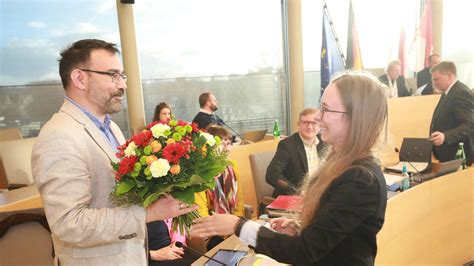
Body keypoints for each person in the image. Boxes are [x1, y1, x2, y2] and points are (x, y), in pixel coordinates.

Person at [191, 72, 388, 265]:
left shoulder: (360, 180)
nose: (318, 117)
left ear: (355, 118)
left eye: (326, 109)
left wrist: (238, 225)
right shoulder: (344, 164)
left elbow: (305, 251)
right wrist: (301, 229)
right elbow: (333, 236)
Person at [31, 39, 195, 265]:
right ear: (80, 78)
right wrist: (148, 214)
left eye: (122, 76)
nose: (123, 85)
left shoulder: (112, 128)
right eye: (113, 75)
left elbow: (117, 195)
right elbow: (69, 224)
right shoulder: (58, 136)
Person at [194, 125, 245, 250]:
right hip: (212, 232)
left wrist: (235, 224)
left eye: (229, 143)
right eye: (223, 143)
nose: (227, 148)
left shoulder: (232, 166)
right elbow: (201, 212)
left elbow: (239, 201)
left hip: (233, 226)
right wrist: (221, 230)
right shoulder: (201, 174)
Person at [265, 108, 325, 197]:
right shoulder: (287, 145)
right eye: (305, 123)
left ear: (320, 125)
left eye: (314, 123)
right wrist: (297, 192)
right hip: (293, 198)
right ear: (299, 125)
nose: (309, 127)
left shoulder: (325, 142)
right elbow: (272, 174)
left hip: (318, 194)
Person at [429, 61, 473, 165]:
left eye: (436, 79)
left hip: (457, 154)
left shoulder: (461, 92)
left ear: (449, 76)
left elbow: (469, 124)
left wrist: (445, 136)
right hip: (447, 154)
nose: (434, 83)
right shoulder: (448, 92)